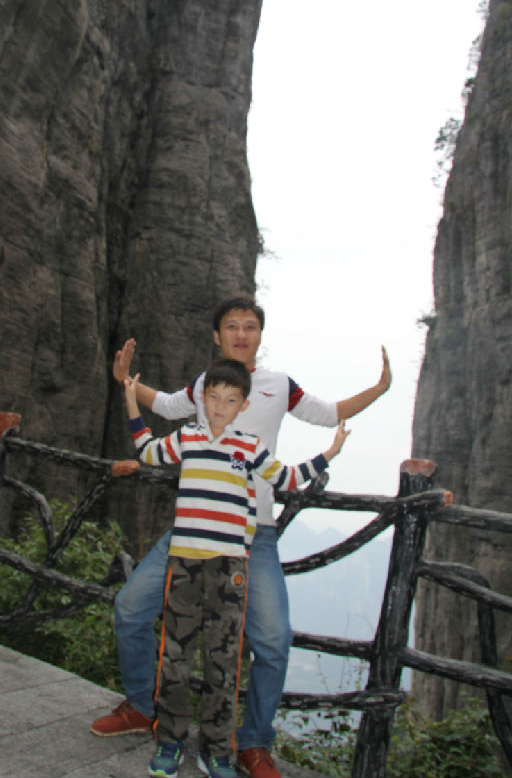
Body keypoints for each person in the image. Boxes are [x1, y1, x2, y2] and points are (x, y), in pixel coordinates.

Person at [91, 295, 392, 778]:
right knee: (130, 608)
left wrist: (379, 388)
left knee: (272, 639)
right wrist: (124, 381)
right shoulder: (204, 385)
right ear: (217, 336)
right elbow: (164, 405)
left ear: (259, 335)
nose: (241, 333)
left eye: (250, 326)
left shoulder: (278, 385)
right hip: (192, 532)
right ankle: (142, 707)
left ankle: (253, 744)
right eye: (232, 326)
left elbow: (330, 411)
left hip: (256, 534)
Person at [123, 357, 350, 778]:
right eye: (213, 397)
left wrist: (329, 453)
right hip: (185, 564)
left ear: (244, 405)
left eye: (230, 400)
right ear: (202, 400)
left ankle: (217, 751)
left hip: (231, 569)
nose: (220, 406)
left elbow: (286, 477)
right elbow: (147, 450)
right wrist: (132, 403)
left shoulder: (248, 447)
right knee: (175, 656)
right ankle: (170, 742)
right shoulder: (188, 437)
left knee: (223, 661)